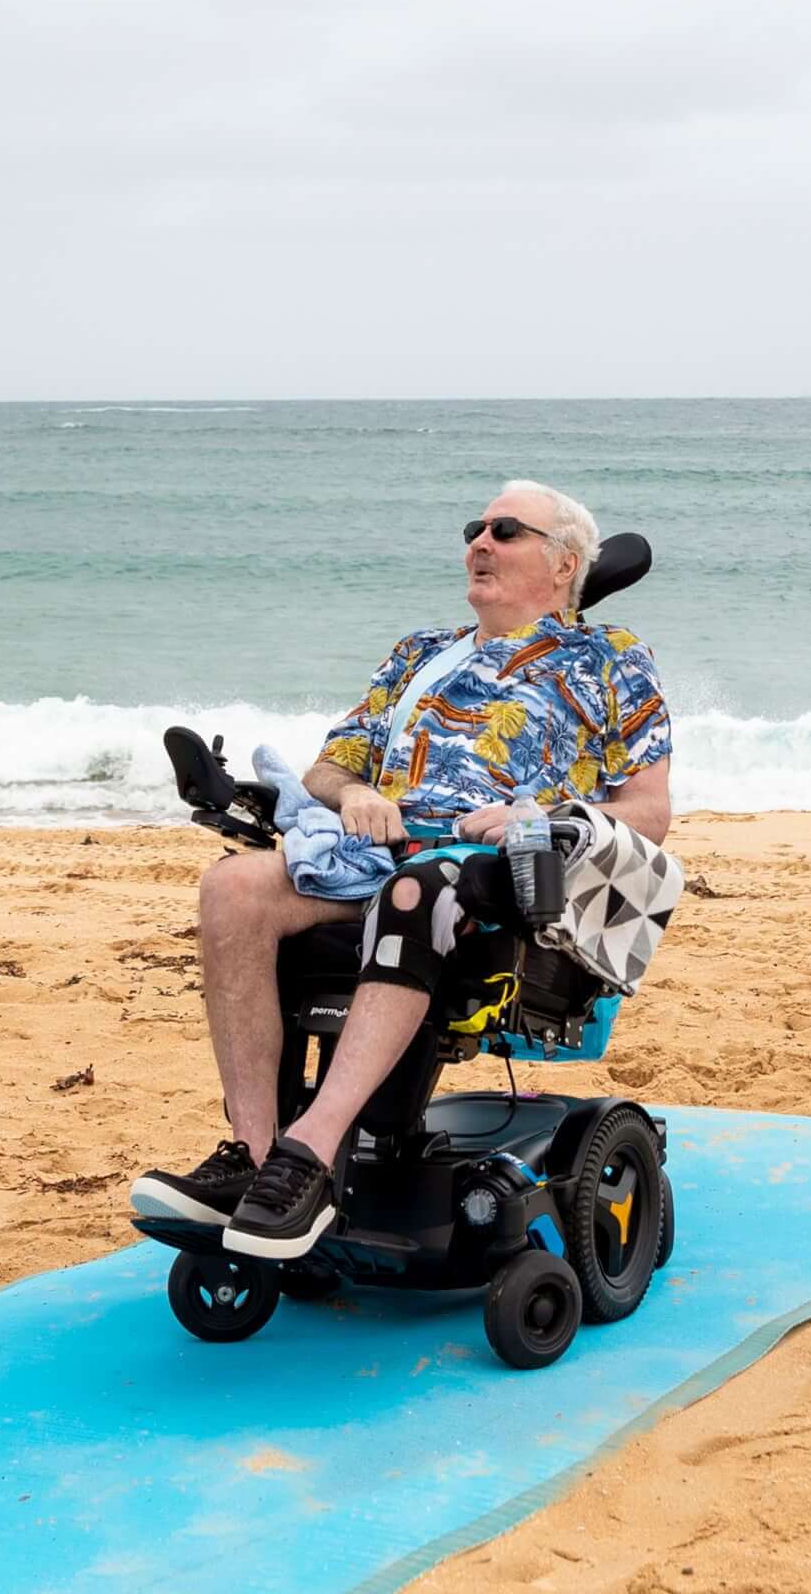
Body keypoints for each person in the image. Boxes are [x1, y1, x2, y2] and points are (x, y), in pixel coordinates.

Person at [132, 481, 672, 1263]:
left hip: (498, 876)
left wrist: (540, 817)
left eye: (505, 530)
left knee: (416, 891)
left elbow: (649, 810)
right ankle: (252, 1159)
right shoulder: (421, 653)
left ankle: (307, 1157)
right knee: (234, 887)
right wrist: (355, 796)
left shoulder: (611, 659)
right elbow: (328, 767)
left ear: (564, 566)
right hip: (379, 854)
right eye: (474, 528)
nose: (478, 543)